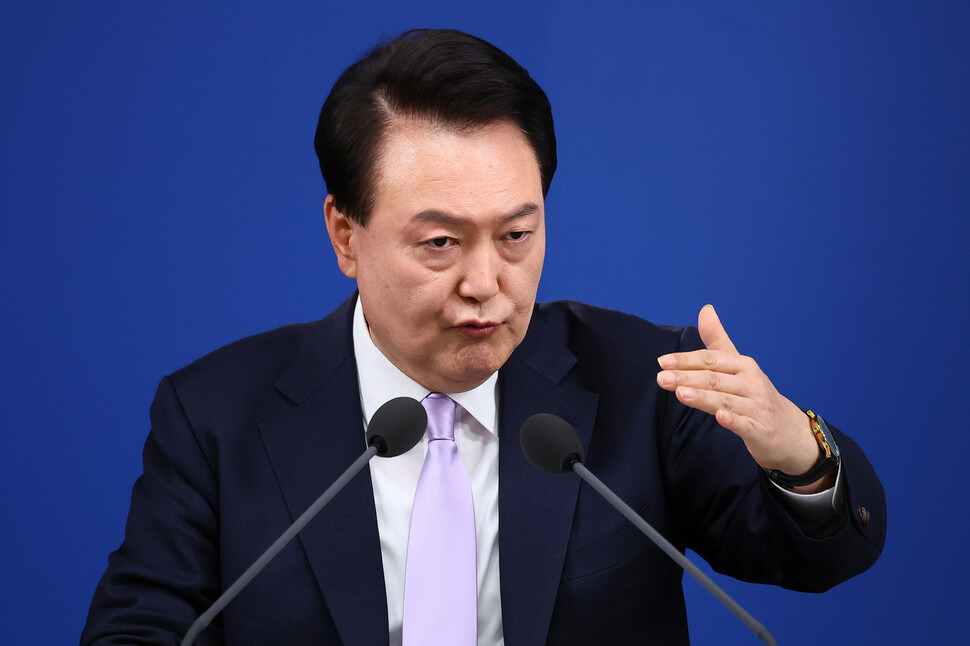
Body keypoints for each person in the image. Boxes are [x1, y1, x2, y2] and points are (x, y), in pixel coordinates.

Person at [81, 29, 886, 645]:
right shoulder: (215, 416)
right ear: (345, 235)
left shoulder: (644, 383)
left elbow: (820, 558)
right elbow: (139, 629)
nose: (486, 283)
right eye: (440, 243)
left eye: (516, 236)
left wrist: (798, 455)